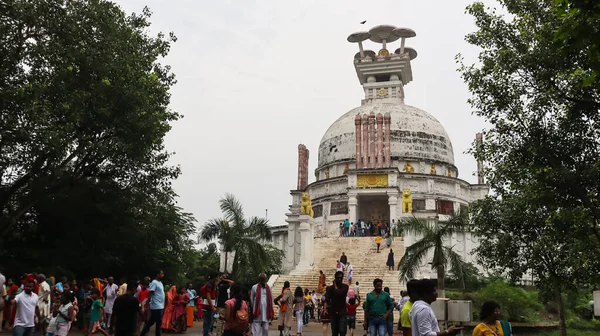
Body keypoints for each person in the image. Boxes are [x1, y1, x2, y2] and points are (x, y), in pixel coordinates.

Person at [140, 270, 166, 336]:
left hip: (160, 305)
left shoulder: (160, 283)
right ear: (157, 274)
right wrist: (147, 303)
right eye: (161, 273)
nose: (163, 275)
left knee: (151, 322)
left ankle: (142, 333)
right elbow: (151, 293)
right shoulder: (154, 282)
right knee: (158, 323)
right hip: (156, 305)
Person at [323, 271, 349, 336]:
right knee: (334, 332)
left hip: (342, 312)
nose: (339, 279)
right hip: (333, 312)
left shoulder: (345, 287)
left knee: (342, 330)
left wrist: (335, 286)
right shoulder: (330, 288)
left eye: (341, 278)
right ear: (335, 278)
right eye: (338, 278)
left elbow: (339, 293)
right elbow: (327, 299)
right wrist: (325, 309)